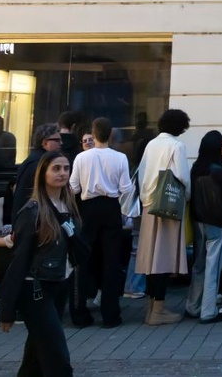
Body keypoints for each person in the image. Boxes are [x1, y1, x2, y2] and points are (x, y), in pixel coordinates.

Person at [0, 148, 84, 377]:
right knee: (57, 358)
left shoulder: (69, 206)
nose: (62, 173)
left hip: (59, 284)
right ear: (43, 173)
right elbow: (18, 260)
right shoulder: (32, 212)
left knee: (36, 357)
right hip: (35, 290)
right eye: (56, 169)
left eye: (66, 168)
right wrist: (7, 309)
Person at [64, 116, 131, 328]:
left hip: (88, 208)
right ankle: (110, 315)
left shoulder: (81, 158)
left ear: (93, 134)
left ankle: (79, 313)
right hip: (111, 207)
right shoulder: (120, 158)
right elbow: (126, 188)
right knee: (111, 261)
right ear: (110, 134)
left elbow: (74, 187)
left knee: (82, 259)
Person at [132, 107, 189, 325]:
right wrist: (188, 197)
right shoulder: (176, 146)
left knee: (151, 260)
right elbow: (182, 176)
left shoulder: (151, 144)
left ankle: (151, 308)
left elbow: (142, 173)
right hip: (167, 205)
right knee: (164, 259)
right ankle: (159, 310)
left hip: (149, 204)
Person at [183, 131, 222, 324]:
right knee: (214, 265)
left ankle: (192, 306)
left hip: (197, 220)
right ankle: (208, 311)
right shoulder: (217, 169)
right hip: (215, 221)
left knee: (199, 264)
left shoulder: (196, 167)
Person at [12, 125, 63, 221]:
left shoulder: (35, 160)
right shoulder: (39, 163)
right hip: (33, 218)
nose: (61, 143)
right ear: (45, 143)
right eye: (57, 140)